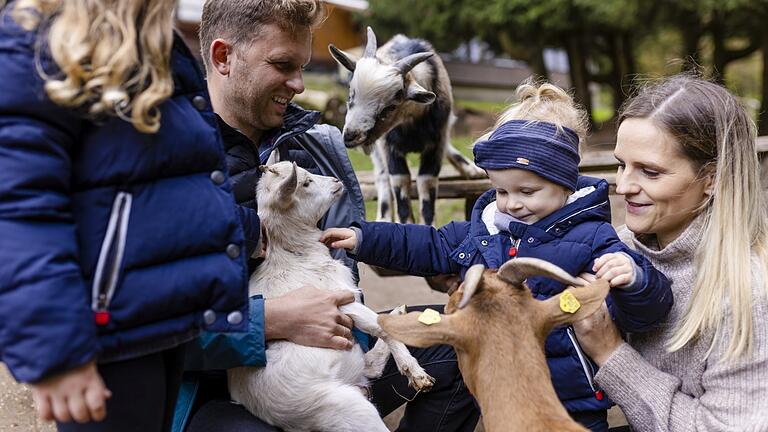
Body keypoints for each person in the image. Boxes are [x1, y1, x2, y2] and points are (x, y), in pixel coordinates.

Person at [172, 1, 480, 431]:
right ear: (223, 57)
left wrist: (453, 262)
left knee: (463, 339)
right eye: (282, 64)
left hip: (328, 356)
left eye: (302, 65)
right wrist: (269, 322)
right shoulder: (169, 163)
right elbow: (138, 336)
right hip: (220, 389)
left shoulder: (316, 145)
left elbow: (343, 259)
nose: (298, 84)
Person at [322, 81, 675, 432]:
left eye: (527, 191)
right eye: (501, 190)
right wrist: (364, 238)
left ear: (565, 185)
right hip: (497, 389)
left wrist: (635, 279)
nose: (512, 203)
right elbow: (429, 244)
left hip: (569, 398)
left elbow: (649, 313)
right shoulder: (488, 229)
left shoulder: (592, 237)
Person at [0, 0, 259, 431]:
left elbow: (162, 183)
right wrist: (56, 350)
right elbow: (18, 210)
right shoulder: (35, 43)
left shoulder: (153, 44)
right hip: (102, 331)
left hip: (155, 317)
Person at [571, 75, 768, 431]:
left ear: (712, 180)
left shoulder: (747, 293)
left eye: (650, 171)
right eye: (621, 164)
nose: (624, 186)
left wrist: (610, 354)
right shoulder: (620, 247)